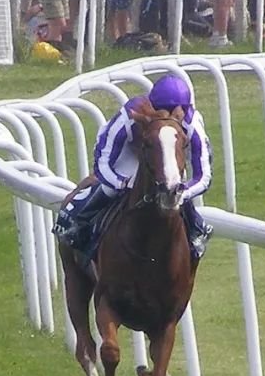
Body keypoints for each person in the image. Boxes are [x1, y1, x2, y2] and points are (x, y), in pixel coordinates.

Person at [52, 75, 214, 260]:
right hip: (131, 151)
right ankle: (79, 222)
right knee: (111, 188)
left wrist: (182, 193)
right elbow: (103, 159)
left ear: (183, 110)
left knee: (174, 185)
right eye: (161, 112)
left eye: (175, 113)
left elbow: (203, 176)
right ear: (151, 106)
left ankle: (196, 229)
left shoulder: (192, 124)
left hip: (168, 155)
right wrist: (119, 182)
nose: (167, 118)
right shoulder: (131, 114)